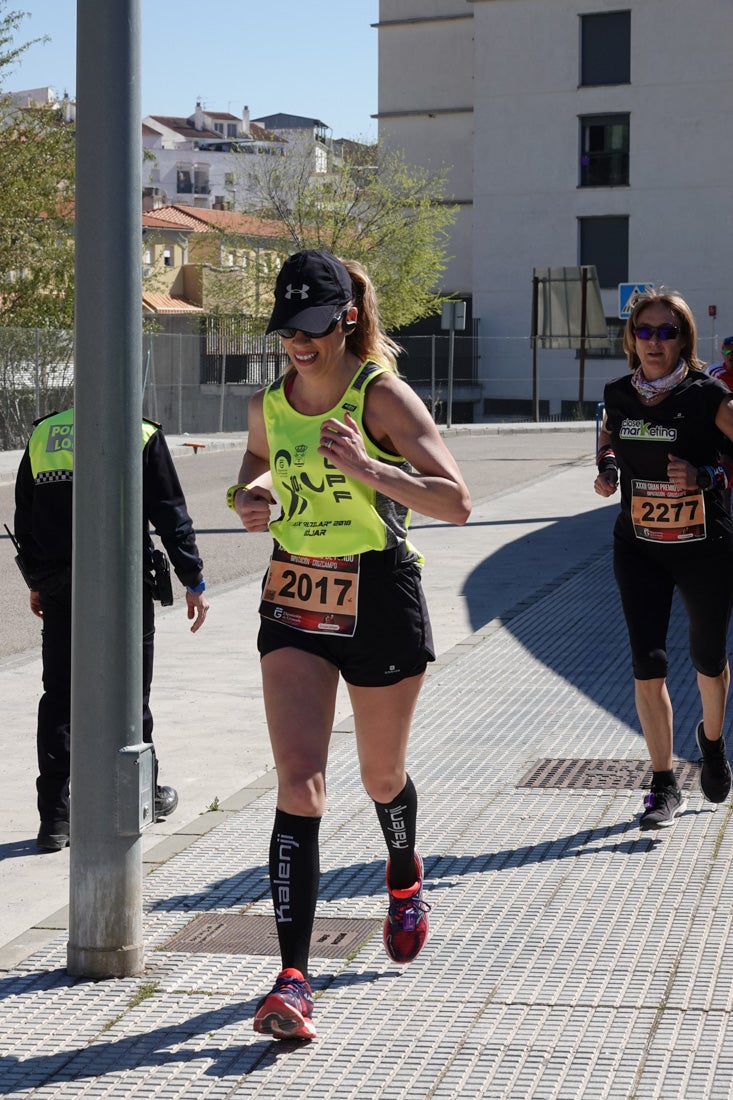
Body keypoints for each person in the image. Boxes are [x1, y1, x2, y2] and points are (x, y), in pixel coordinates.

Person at [228, 249, 471, 1040]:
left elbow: (457, 501)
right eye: (285, 329)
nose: (297, 343)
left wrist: (372, 469)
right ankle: (291, 980)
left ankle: (403, 878)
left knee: (379, 775)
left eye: (311, 328)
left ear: (347, 319)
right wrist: (251, 493)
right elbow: (260, 462)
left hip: (378, 599)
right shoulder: (270, 403)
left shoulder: (381, 396)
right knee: (299, 785)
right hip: (295, 595)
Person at [14, 409, 209, 852]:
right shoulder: (138, 431)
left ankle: (55, 818)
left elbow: (24, 519)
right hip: (124, 584)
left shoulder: (46, 432)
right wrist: (193, 580)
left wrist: (37, 583)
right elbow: (170, 514)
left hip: (62, 587)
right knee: (131, 694)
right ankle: (142, 794)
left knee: (60, 698)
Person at [594, 290, 733, 829]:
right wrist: (607, 471)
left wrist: (707, 477)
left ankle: (713, 742)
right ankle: (662, 783)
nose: (654, 342)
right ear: (631, 338)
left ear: (684, 339)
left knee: (707, 658)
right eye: (644, 331)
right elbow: (609, 441)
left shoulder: (707, 395)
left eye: (666, 332)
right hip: (640, 546)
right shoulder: (616, 394)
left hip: (705, 546)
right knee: (647, 663)